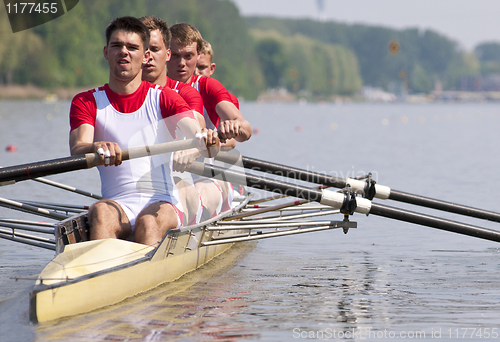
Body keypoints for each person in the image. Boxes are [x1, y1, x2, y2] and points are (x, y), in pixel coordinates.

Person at [69, 16, 218, 246]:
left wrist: (204, 138)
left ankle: (140, 273)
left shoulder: (164, 98)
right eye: (117, 46)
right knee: (99, 211)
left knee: (148, 222)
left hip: (162, 202)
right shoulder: (86, 101)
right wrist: (94, 147)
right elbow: (78, 148)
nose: (124, 52)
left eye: (132, 47)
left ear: (145, 54)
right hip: (117, 205)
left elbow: (195, 132)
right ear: (106, 52)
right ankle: (102, 274)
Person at [167, 23, 251, 218]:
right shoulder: (150, 89)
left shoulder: (207, 87)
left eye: (188, 56)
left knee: (192, 193)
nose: (181, 63)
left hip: (206, 177)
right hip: (165, 178)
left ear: (196, 57)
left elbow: (244, 130)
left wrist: (232, 129)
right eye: (176, 55)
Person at [140, 15, 205, 226]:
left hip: (177, 183)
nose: (148, 56)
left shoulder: (185, 94)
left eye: (154, 50)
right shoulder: (113, 97)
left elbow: (199, 132)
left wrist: (193, 148)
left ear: (165, 54)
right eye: (142, 49)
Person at [196, 39, 239, 109]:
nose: (196, 72)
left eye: (202, 67)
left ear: (212, 69)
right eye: (192, 66)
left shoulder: (229, 100)